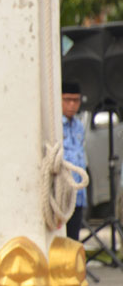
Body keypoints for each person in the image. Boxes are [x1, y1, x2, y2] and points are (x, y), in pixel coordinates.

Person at [62, 81, 88, 242]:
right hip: (62, 193)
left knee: (73, 240)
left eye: (75, 100)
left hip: (77, 194)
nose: (72, 105)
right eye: (67, 100)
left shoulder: (79, 126)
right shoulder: (54, 125)